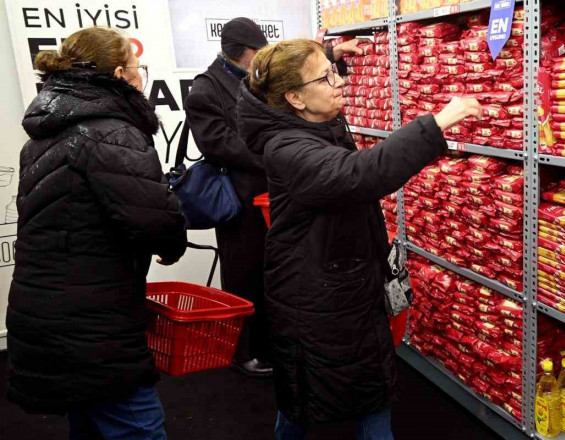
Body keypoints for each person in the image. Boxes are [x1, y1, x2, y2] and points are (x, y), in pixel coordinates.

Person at [236, 38, 481, 440]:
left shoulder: (314, 124)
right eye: (326, 76)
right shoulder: (285, 146)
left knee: (358, 390)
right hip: (315, 295)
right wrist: (434, 124)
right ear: (295, 97)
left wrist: (330, 57)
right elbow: (358, 175)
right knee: (310, 395)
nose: (339, 82)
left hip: (342, 283)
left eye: (335, 72)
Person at [6, 27, 186, 440]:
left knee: (89, 419)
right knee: (136, 426)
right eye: (139, 70)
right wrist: (172, 244)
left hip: (52, 308)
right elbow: (156, 218)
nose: (143, 80)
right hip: (94, 321)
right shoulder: (111, 131)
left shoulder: (50, 128)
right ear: (121, 74)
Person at [184, 17, 366, 377]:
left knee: (281, 272)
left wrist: (330, 55)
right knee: (244, 274)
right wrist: (277, 153)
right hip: (240, 199)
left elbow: (296, 81)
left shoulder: (253, 76)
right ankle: (245, 350)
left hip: (277, 192)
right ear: (247, 52)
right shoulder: (205, 89)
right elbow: (217, 144)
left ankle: (278, 345)